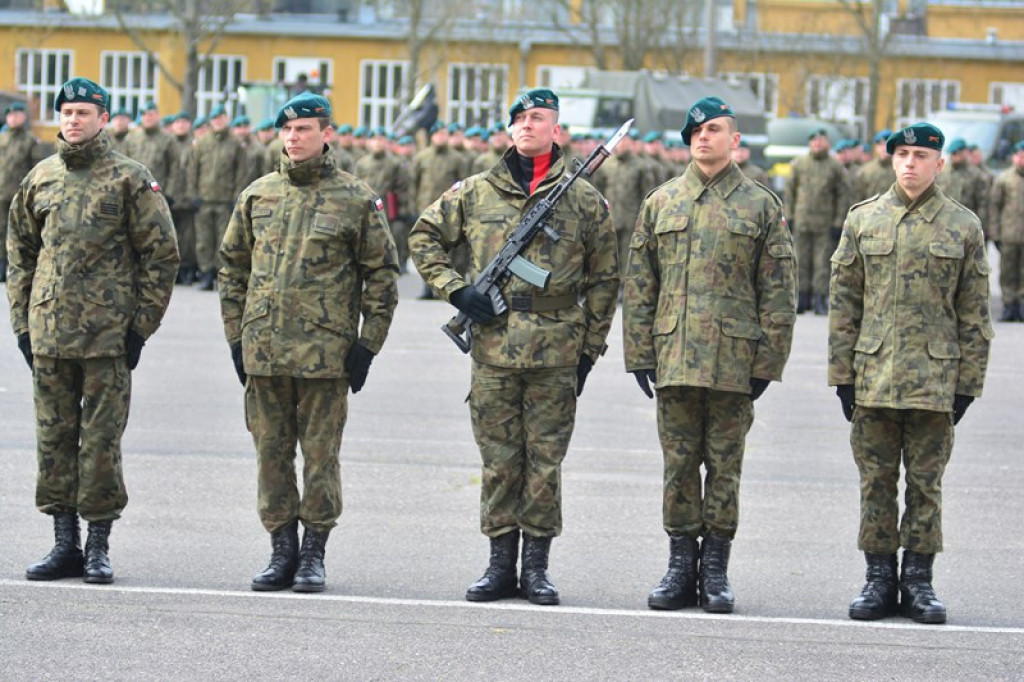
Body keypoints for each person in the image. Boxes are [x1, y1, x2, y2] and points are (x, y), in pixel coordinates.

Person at [409, 88, 619, 606]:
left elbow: (606, 280)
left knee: (545, 463)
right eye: (520, 118)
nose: (529, 124)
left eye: (539, 117)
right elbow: (422, 237)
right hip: (494, 351)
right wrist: (457, 290)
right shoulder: (476, 191)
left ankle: (538, 568)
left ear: (557, 129)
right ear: (509, 131)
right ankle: (500, 564)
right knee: (500, 461)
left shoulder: (584, 198)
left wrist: (589, 352)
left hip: (556, 352)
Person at [218, 93, 399, 593]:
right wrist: (237, 337)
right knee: (271, 455)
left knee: (321, 457)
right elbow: (231, 270)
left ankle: (314, 553)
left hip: (325, 357)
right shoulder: (257, 195)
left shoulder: (355, 198)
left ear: (326, 134)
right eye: (287, 129)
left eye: (304, 129)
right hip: (266, 353)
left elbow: (382, 276)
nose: (293, 137)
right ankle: (281, 551)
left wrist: (368, 345)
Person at [622, 96, 797, 614]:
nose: (704, 137)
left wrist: (767, 363)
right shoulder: (661, 203)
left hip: (732, 361)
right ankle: (680, 566)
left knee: (725, 466)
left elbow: (779, 293)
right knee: (678, 466)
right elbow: (639, 284)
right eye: (695, 131)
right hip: (674, 355)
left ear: (734, 140)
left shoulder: (761, 206)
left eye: (715, 129)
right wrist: (639, 353)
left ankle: (715, 569)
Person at [6, 77, 179, 584]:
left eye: (84, 112)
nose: (73, 120)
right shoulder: (40, 178)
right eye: (66, 111)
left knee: (101, 442)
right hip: (50, 336)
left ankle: (99, 545)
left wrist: (141, 327)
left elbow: (161, 255)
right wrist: (22, 323)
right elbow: (19, 257)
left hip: (107, 338)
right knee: (55, 439)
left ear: (103, 118)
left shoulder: (129, 178)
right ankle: (65, 544)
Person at [829, 123, 993, 624]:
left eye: (921, 155)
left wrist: (967, 385)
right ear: (891, 159)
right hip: (874, 376)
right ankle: (878, 579)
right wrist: (842, 376)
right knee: (876, 482)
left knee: (925, 485)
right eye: (902, 153)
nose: (911, 163)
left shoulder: (963, 226)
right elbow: (844, 304)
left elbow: (975, 314)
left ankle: (919, 582)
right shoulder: (864, 220)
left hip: (934, 381)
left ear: (939, 163)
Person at [784, 129, 851, 314]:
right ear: (810, 144)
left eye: (821, 141)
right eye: (814, 141)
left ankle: (820, 298)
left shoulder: (835, 166)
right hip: (801, 220)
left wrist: (839, 221)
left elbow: (843, 195)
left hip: (825, 222)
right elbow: (789, 192)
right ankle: (802, 297)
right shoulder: (799, 164)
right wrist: (788, 216)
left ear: (827, 143)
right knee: (800, 260)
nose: (818, 144)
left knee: (822, 262)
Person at [191, 104, 248, 290]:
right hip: (204, 199)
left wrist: (236, 197)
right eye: (215, 119)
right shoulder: (202, 142)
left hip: (225, 200)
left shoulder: (235, 143)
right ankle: (206, 273)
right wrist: (193, 194)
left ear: (226, 119)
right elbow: (193, 171)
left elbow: (241, 172)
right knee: (203, 240)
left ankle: (220, 274)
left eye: (221, 118)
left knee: (224, 239)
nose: (218, 122)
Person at [0, 101, 44, 283]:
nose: (14, 118)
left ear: (24, 117)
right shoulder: (1, 139)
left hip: (19, 196)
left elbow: (36, 169)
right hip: (0, 194)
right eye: (10, 115)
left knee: (21, 232)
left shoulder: (30, 141)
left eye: (17, 114)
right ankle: (2, 266)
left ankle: (21, 268)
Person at [989, 140, 1024, 322]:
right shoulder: (1004, 179)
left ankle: (1022, 306)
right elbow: (994, 207)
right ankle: (1009, 306)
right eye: (1020, 156)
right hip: (1009, 235)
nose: (1022, 160)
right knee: (1007, 273)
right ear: (1014, 157)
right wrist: (995, 233)